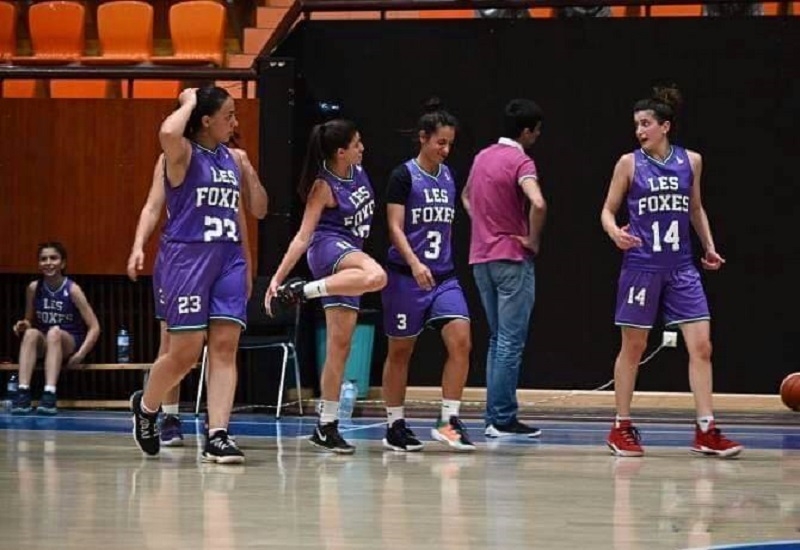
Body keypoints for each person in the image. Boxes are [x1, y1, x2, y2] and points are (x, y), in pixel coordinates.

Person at [600, 84, 743, 458]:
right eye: (636, 124)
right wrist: (615, 232)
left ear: (665, 126)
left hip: (681, 267)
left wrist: (709, 246)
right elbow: (607, 211)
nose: (639, 130)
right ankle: (621, 426)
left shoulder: (691, 161)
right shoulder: (628, 164)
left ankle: (706, 430)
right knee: (634, 346)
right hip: (642, 266)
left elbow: (695, 208)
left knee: (702, 346)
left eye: (646, 123)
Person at [130, 86, 252, 464]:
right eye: (228, 115)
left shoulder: (232, 159)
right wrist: (189, 100)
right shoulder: (180, 153)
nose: (235, 122)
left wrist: (247, 264)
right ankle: (147, 408)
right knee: (184, 353)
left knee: (225, 347)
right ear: (206, 120)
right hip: (187, 258)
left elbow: (240, 216)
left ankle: (218, 434)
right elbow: (168, 132)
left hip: (228, 257)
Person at [265, 119, 386, 454]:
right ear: (340, 152)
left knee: (339, 347)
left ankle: (326, 425)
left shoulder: (358, 172)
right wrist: (277, 277)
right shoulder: (323, 185)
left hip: (349, 259)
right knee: (377, 276)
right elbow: (303, 236)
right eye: (357, 143)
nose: (362, 148)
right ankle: (303, 290)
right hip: (328, 249)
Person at [381, 101, 474, 452]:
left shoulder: (448, 175)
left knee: (461, 340)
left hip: (443, 277)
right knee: (400, 351)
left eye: (450, 144)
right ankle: (394, 424)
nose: (446, 150)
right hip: (406, 277)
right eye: (440, 142)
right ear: (423, 138)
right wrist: (415, 262)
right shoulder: (403, 176)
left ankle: (448, 421)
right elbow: (394, 227)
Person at [461, 99, 546, 439]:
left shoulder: (482, 157)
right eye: (536, 132)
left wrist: (484, 225)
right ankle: (502, 418)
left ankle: (495, 416)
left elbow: (467, 196)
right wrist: (532, 239)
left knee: (498, 339)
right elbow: (538, 202)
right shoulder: (521, 161)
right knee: (510, 342)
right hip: (510, 257)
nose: (537, 137)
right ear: (526, 131)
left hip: (481, 258)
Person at [12, 242, 100, 415]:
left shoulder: (73, 289)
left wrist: (80, 354)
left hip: (67, 340)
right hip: (45, 340)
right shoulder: (34, 288)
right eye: (43, 259)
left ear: (63, 263)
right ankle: (23, 392)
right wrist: (23, 324)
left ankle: (49, 393)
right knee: (30, 333)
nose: (48, 262)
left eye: (53, 258)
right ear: (39, 264)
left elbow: (95, 327)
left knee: (54, 332)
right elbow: (29, 320)